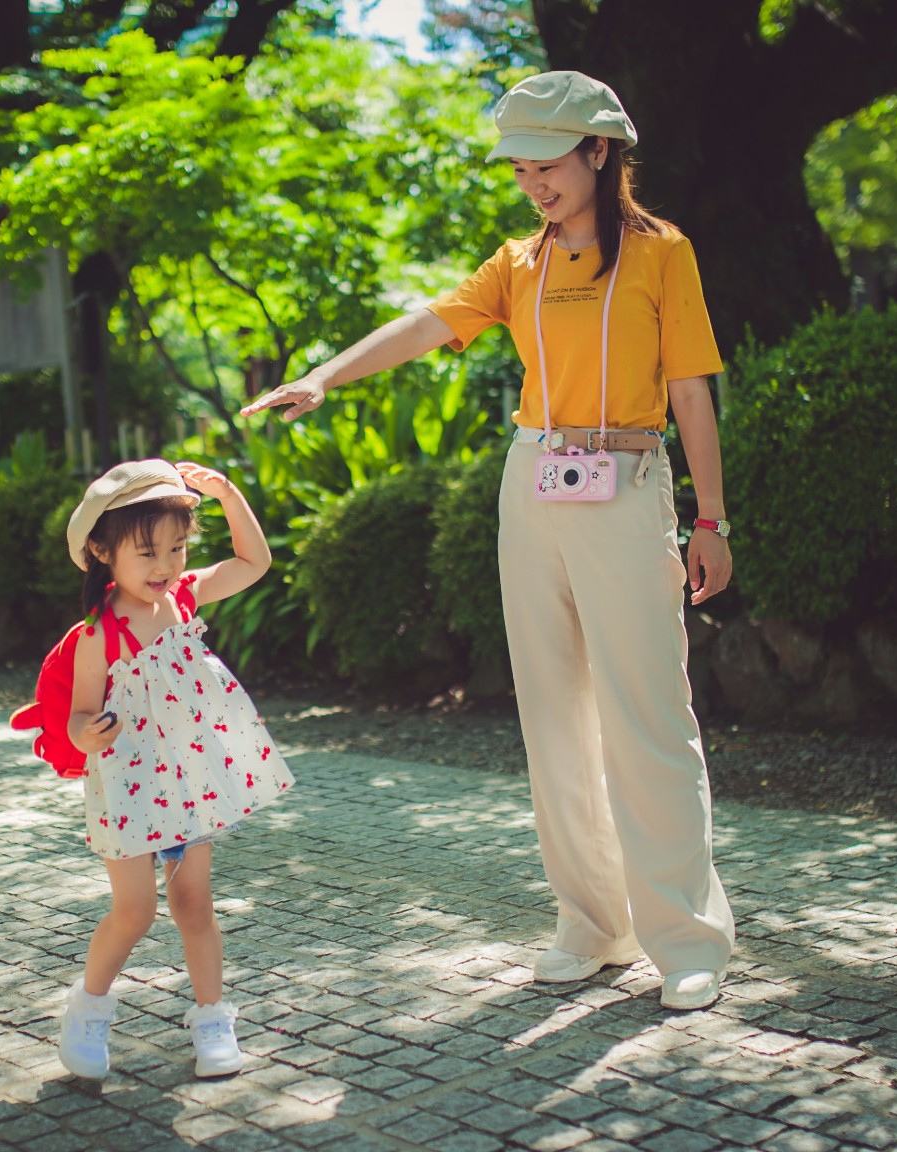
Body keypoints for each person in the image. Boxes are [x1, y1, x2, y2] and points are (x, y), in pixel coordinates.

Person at [242, 71, 735, 1011]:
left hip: (630, 482)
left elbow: (690, 390)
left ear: (599, 153)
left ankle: (688, 939)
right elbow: (431, 322)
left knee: (649, 718)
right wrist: (323, 376)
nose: (532, 183)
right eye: (519, 169)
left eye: (546, 164)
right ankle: (593, 924)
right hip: (534, 481)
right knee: (553, 719)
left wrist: (711, 518)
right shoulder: (518, 262)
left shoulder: (664, 254)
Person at [49, 459, 294, 1080]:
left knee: (192, 901)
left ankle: (213, 1017)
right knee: (134, 911)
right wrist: (89, 731)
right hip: (128, 783)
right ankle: (89, 1008)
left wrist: (229, 494)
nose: (166, 567)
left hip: (188, 779)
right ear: (102, 551)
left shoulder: (185, 596)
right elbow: (78, 716)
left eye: (178, 549)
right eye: (147, 552)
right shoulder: (97, 634)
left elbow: (254, 562)